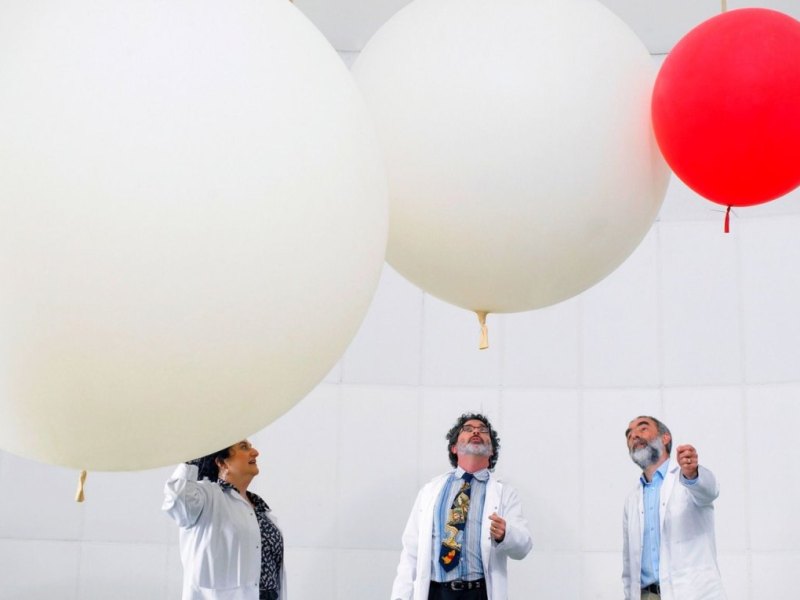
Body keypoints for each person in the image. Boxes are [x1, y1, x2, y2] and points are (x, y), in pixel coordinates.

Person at [391, 413, 532, 600]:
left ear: (491, 451)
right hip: (435, 593)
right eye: (468, 429)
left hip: (479, 593)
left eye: (483, 430)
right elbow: (411, 551)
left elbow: (524, 546)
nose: (476, 431)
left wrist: (506, 534)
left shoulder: (505, 493)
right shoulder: (430, 491)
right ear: (454, 447)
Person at [163, 440, 286, 600]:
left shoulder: (260, 508)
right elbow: (177, 497)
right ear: (221, 463)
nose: (255, 452)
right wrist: (194, 453)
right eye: (244, 447)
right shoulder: (204, 497)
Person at [622, 416, 725, 600]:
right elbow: (629, 565)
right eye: (629, 435)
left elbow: (709, 490)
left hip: (691, 593)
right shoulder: (632, 499)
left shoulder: (686, 479)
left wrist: (692, 474)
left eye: (642, 428)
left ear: (665, 438)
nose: (634, 435)